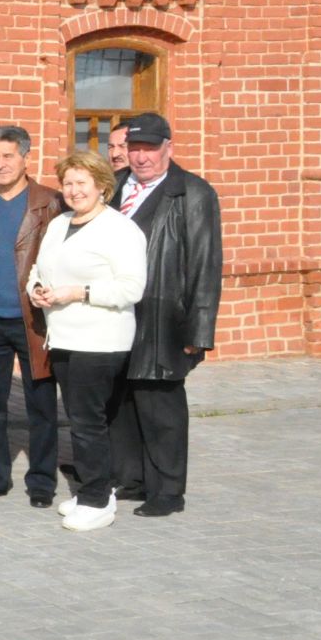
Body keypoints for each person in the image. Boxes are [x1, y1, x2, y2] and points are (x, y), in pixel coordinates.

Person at [28, 150, 147, 533]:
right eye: (67, 183)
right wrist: (37, 290)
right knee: (84, 418)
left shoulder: (120, 229)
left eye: (82, 183)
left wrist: (78, 292)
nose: (74, 190)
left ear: (102, 187)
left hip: (100, 340)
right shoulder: (60, 222)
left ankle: (96, 499)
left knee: (86, 422)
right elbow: (38, 268)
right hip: (63, 336)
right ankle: (94, 491)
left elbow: (132, 287)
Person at [110, 113, 221, 518]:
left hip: (164, 317)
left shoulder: (192, 193)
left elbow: (206, 264)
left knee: (161, 408)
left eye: (149, 149)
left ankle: (168, 490)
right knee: (120, 401)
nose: (140, 157)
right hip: (117, 314)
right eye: (134, 148)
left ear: (168, 149)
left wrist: (200, 328)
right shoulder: (117, 187)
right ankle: (132, 477)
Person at [0, 126, 65, 507]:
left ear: (26, 157)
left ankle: (41, 482)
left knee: (41, 402)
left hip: (33, 319)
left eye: (8, 156)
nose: (1, 163)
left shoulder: (49, 202)